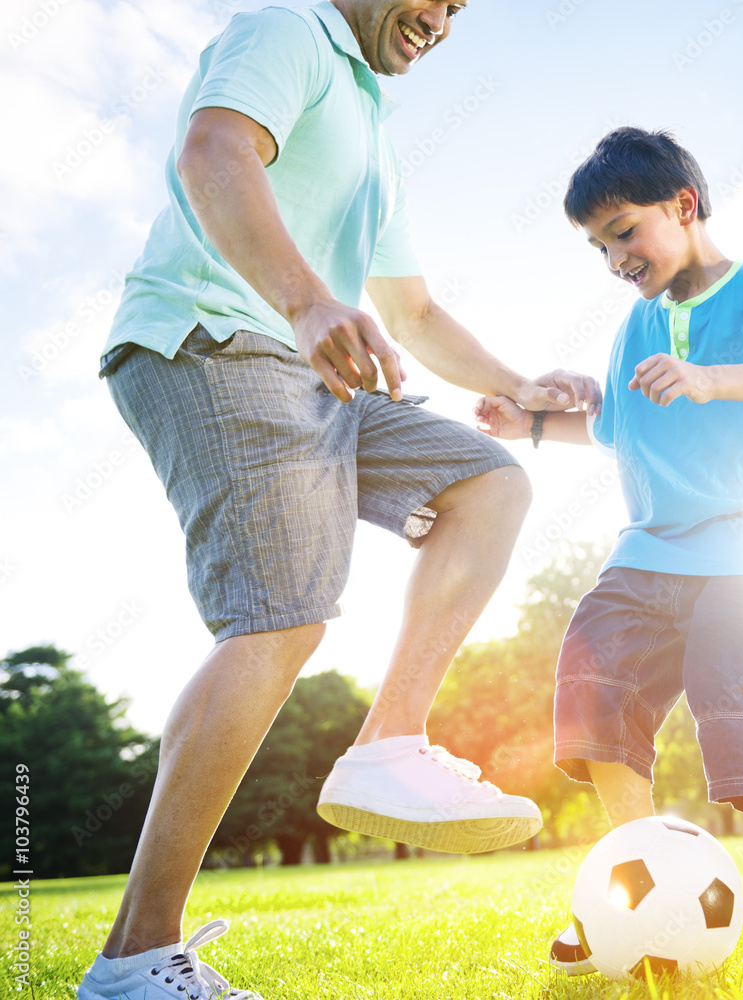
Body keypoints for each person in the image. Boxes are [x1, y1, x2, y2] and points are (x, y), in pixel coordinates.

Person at [78, 3, 599, 999]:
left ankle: (387, 741)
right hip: (217, 341)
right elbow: (212, 147)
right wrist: (307, 299)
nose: (441, 24)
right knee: (281, 618)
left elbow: (412, 312)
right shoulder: (290, 30)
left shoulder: (371, 123)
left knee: (489, 482)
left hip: (317, 376)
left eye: (457, 12)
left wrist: (522, 386)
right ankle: (135, 956)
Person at [475, 126, 743, 978]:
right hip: (650, 553)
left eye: (623, 230)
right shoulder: (633, 327)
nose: (613, 255)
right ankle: (630, 901)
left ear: (684, 206)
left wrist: (713, 378)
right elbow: (615, 429)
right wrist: (533, 422)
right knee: (594, 687)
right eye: (596, 245)